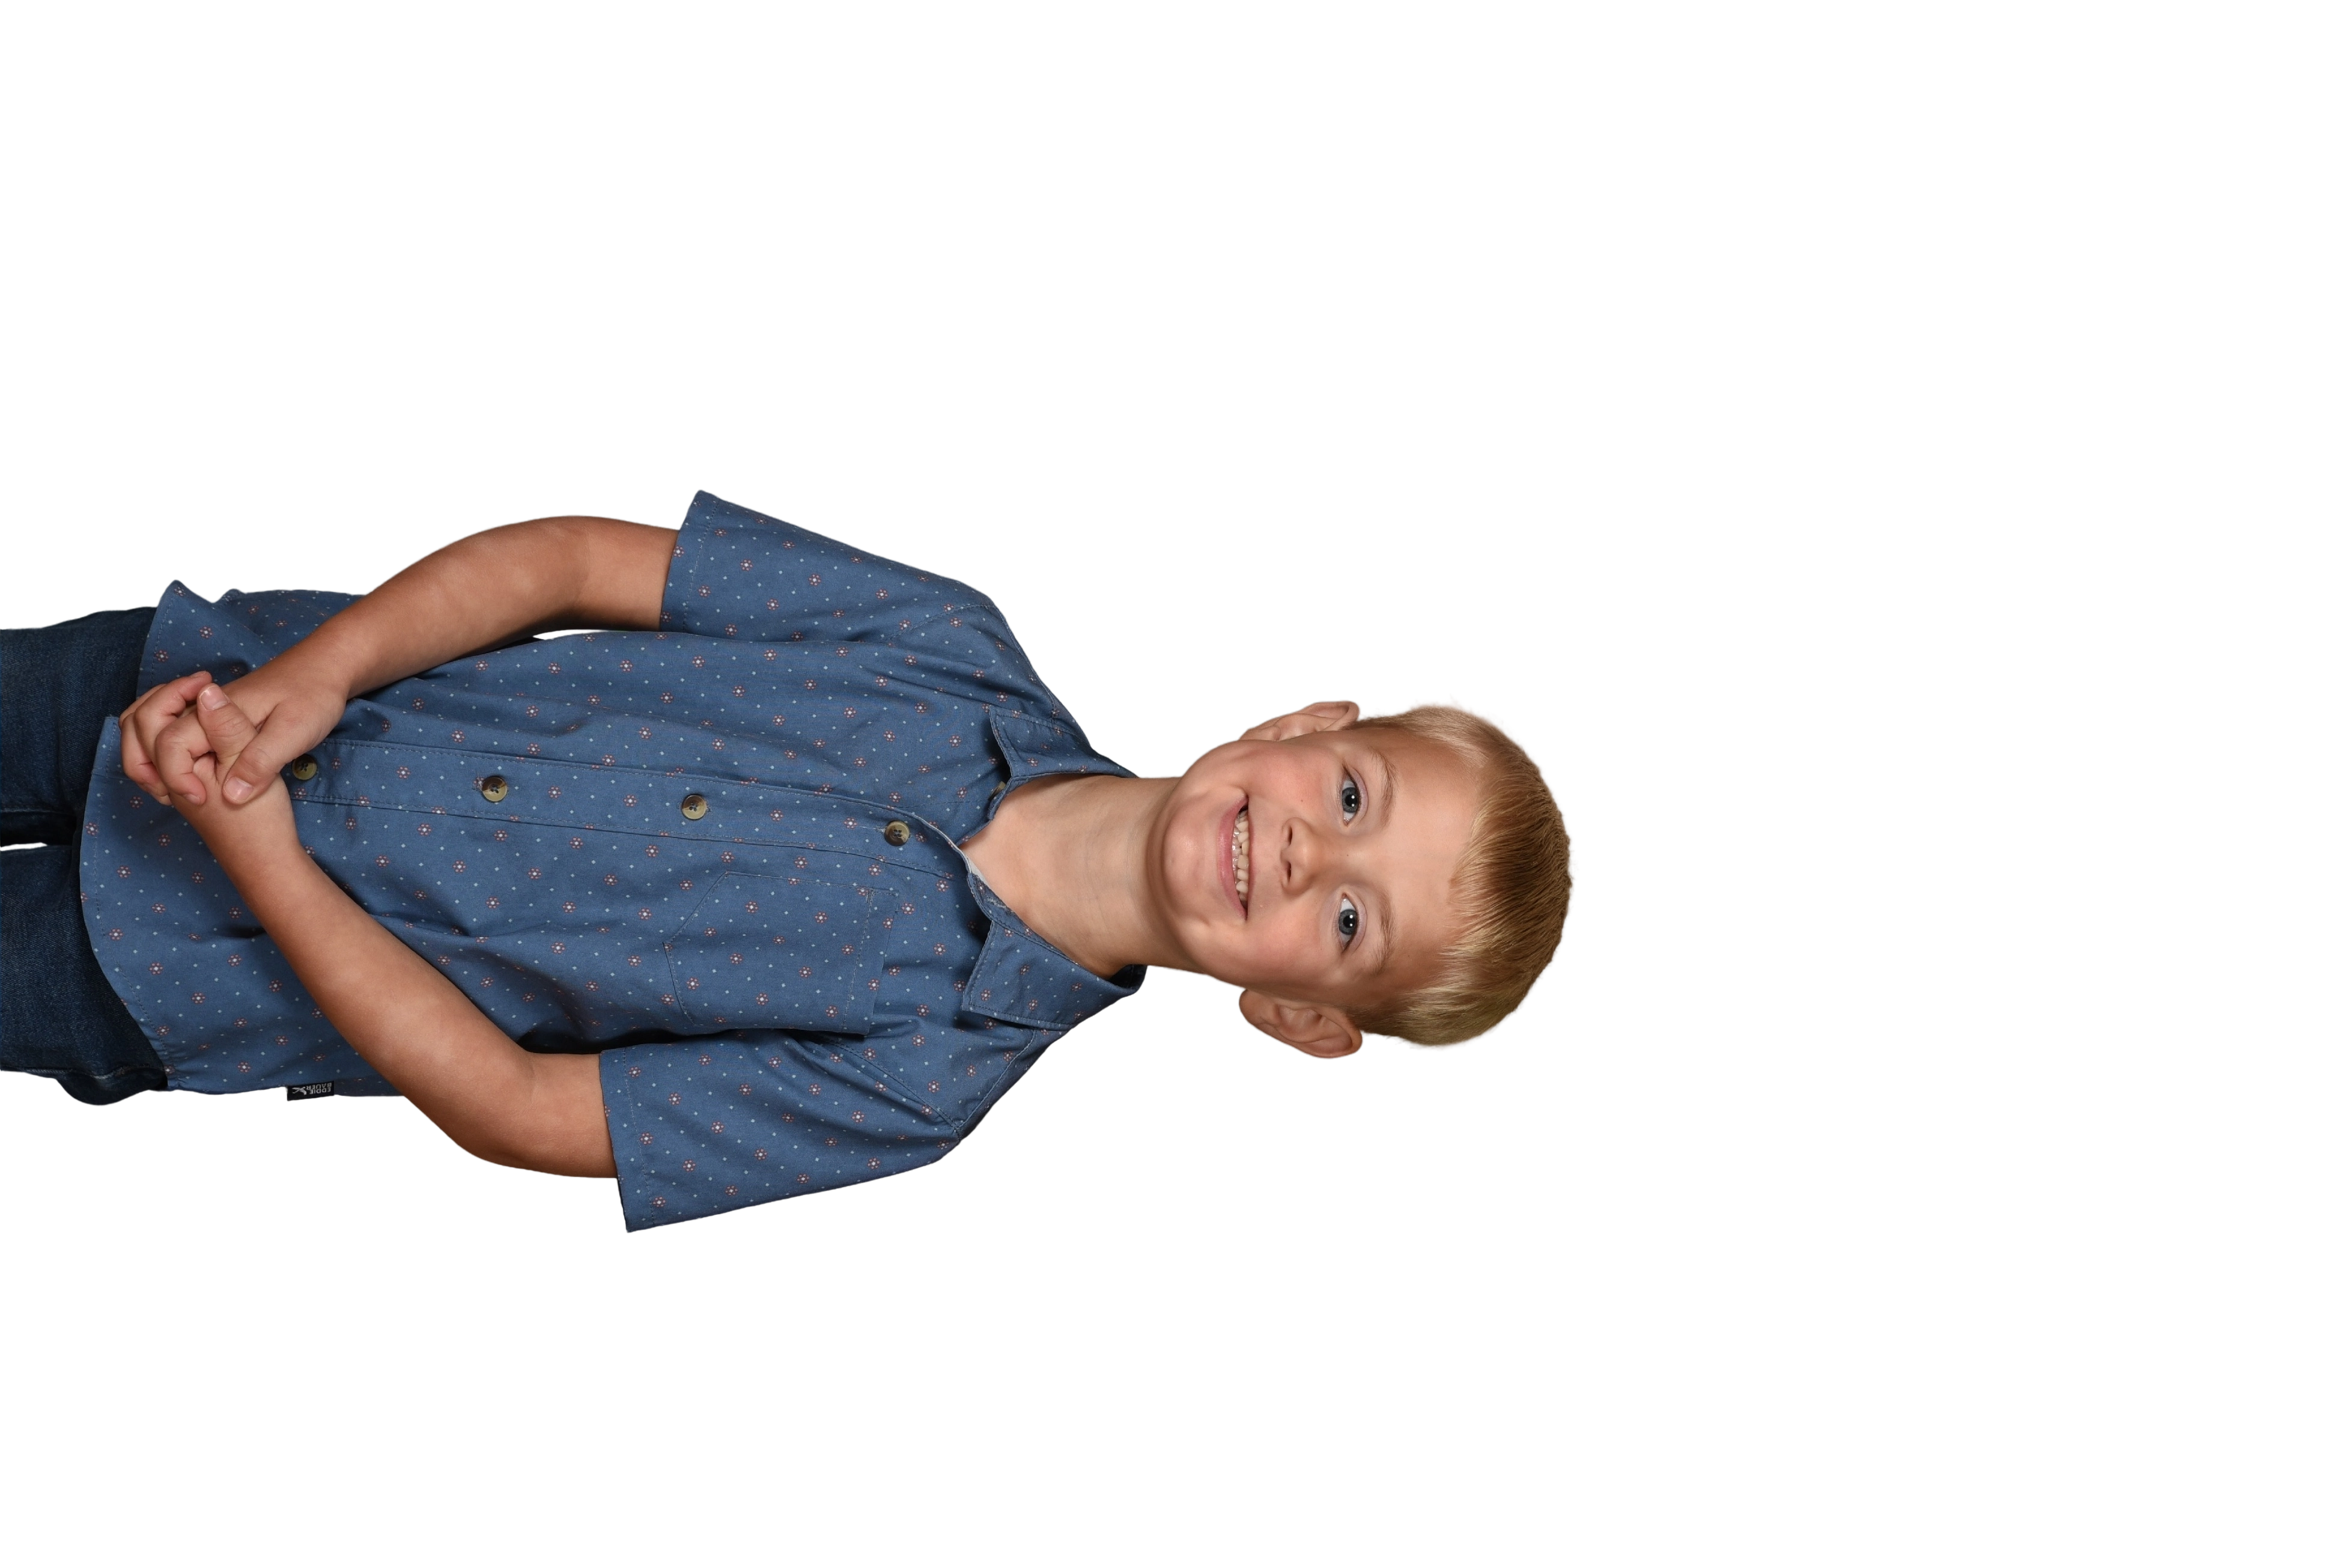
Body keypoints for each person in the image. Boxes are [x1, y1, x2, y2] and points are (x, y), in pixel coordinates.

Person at [1, 489, 1579, 1232]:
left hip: (155, 967)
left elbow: (519, 1110)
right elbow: (568, 559)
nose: (1304, 853)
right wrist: (313, 680)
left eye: (1352, 921)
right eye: (1354, 795)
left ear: (1302, 1020)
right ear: (1309, 720)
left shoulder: (919, 1083)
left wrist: (266, 862)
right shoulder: (944, 633)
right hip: (190, 677)